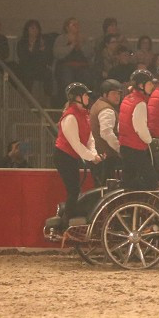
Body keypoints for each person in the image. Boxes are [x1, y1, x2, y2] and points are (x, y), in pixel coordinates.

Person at [53, 83, 103, 221]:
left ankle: (69, 218)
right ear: (77, 97)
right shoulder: (70, 117)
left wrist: (94, 154)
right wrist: (92, 157)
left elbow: (89, 138)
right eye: (86, 95)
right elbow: (76, 144)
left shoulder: (83, 114)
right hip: (64, 156)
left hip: (71, 156)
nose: (88, 97)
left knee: (75, 190)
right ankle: (65, 222)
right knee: (73, 190)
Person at [118, 69, 159, 190]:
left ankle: (131, 206)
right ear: (141, 85)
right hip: (136, 148)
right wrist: (151, 141)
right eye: (150, 84)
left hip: (125, 147)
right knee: (151, 181)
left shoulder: (127, 98)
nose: (152, 86)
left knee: (129, 182)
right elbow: (140, 129)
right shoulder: (140, 103)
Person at [89, 79, 123, 186]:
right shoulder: (107, 110)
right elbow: (106, 133)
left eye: (119, 93)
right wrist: (120, 149)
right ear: (105, 94)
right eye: (113, 93)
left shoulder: (98, 104)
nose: (117, 96)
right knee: (105, 188)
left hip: (99, 154)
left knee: (101, 187)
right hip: (105, 156)